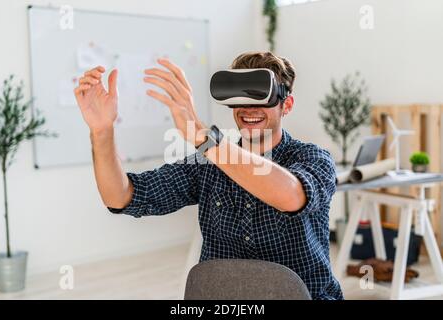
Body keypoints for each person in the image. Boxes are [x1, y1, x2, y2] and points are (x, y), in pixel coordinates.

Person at [74, 51, 343, 300]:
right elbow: (121, 196)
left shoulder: (313, 158)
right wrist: (101, 132)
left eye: (260, 96)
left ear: (287, 105)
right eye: (241, 97)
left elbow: (291, 196)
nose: (249, 109)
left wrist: (204, 138)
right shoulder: (207, 164)